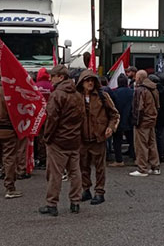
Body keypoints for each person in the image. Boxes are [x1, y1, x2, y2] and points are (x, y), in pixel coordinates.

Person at [39, 64, 85, 216]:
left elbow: (52, 118)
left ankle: (52, 204)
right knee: (75, 172)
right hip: (74, 138)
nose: (50, 79)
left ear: (60, 77)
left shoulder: (57, 94)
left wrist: (47, 137)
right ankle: (75, 202)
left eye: (52, 76)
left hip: (59, 139)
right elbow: (82, 117)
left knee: (55, 173)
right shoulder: (78, 95)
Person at [76, 70, 119, 205]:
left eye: (92, 80)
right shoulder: (76, 98)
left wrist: (111, 128)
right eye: (87, 80)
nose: (90, 83)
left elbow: (114, 115)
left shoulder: (102, 96)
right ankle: (86, 189)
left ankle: (99, 192)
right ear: (81, 83)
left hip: (98, 138)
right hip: (82, 139)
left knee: (100, 167)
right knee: (83, 166)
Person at [129, 70, 160, 177]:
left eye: (136, 77)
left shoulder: (140, 90)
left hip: (142, 121)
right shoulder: (154, 89)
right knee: (152, 143)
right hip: (152, 119)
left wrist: (135, 122)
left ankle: (142, 169)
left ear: (139, 78)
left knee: (141, 145)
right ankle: (155, 167)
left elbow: (138, 108)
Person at [108, 74, 134, 167]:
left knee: (117, 140)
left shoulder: (114, 93)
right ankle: (135, 157)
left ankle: (119, 160)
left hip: (118, 119)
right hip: (130, 119)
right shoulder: (132, 92)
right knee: (132, 139)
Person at [34, 67, 53, 169]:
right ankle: (48, 159)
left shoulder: (35, 86)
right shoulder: (51, 86)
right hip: (49, 115)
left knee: (39, 138)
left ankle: (41, 159)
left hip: (38, 115)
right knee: (49, 137)